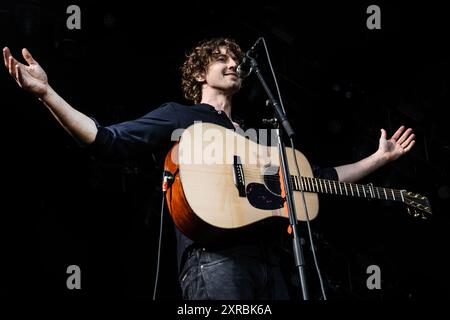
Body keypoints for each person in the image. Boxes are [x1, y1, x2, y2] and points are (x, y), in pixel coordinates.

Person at [3, 38, 415, 300]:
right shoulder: (180, 116)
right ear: (200, 73)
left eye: (236, 59)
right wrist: (46, 94)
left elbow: (317, 179)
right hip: (216, 263)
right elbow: (106, 139)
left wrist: (379, 159)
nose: (234, 63)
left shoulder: (259, 138)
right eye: (221, 59)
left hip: (275, 267)